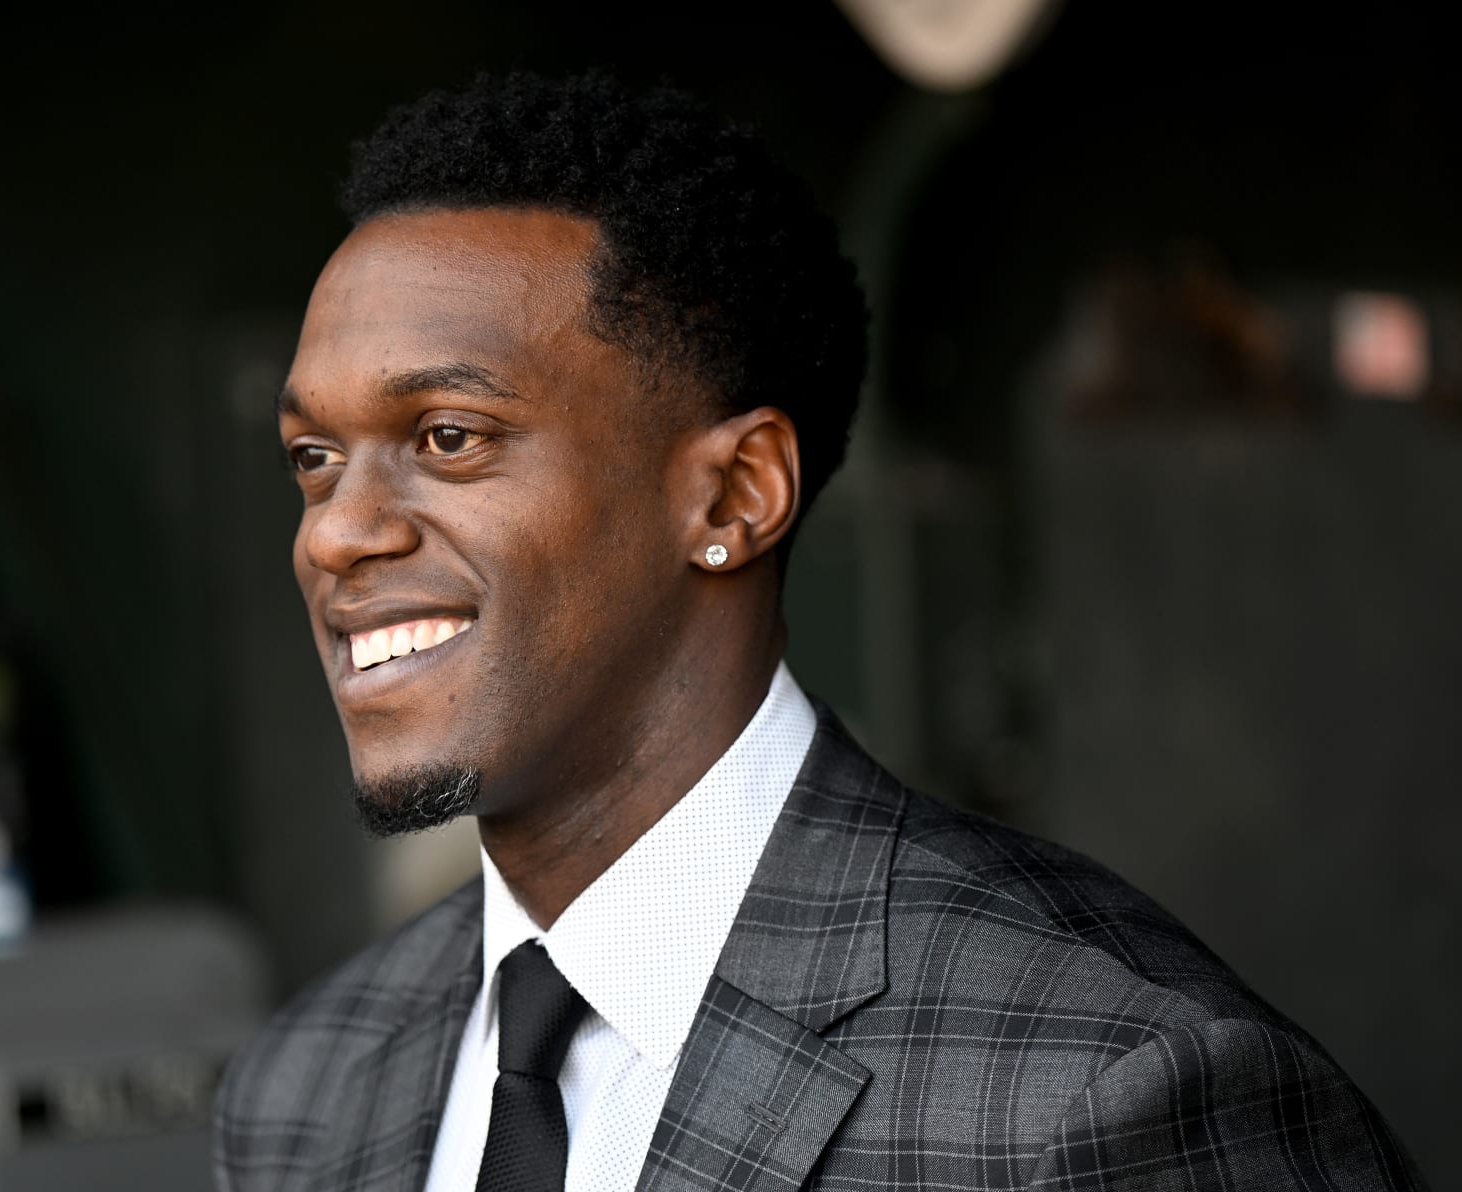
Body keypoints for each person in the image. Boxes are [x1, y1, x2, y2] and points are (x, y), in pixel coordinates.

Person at [213, 72, 1423, 1191]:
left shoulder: (1106, 1091)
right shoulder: (305, 1090)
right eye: (315, 460)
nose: (335, 535)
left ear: (736, 495)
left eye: (448, 439)